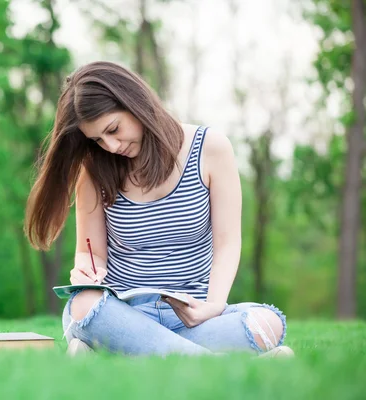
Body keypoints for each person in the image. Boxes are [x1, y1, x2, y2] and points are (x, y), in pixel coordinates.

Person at [24, 61, 293, 358]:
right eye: (98, 139)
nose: (111, 146)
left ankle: (117, 352)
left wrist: (214, 305)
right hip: (122, 314)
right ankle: (209, 362)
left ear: (135, 103)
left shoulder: (211, 148)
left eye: (113, 129)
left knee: (267, 324)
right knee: (83, 306)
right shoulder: (94, 170)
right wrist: (89, 270)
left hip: (193, 316)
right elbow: (93, 252)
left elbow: (227, 243)